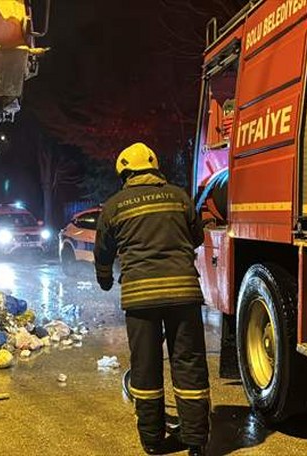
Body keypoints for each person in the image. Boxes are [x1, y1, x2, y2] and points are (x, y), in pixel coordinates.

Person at [94, 142, 209, 455]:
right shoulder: (179, 196)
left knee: (146, 367)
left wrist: (104, 279)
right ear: (155, 168)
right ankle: (196, 440)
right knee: (189, 364)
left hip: (140, 298)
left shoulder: (115, 206)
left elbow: (103, 251)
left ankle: (153, 441)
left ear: (125, 174)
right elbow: (197, 236)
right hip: (183, 294)